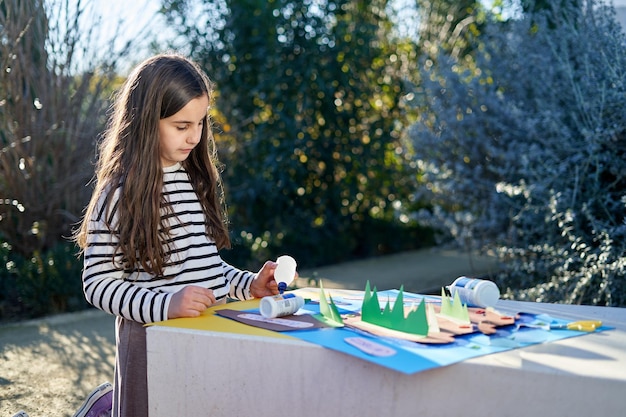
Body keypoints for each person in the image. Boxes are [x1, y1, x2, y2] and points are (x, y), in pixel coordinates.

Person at [73, 53, 282, 417]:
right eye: (181, 125)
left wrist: (248, 285)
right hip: (149, 342)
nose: (194, 136)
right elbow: (98, 283)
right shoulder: (118, 192)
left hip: (204, 336)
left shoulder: (192, 180)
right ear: (144, 122)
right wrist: (167, 304)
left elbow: (206, 270)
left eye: (200, 123)